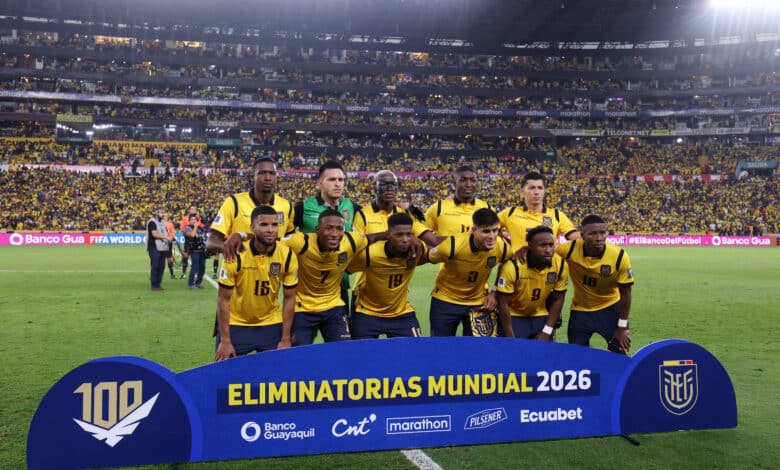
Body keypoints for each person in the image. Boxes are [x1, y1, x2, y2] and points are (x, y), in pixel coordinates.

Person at [214, 205, 298, 360]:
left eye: (274, 225)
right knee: (224, 374)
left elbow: (290, 298)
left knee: (275, 376)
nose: (270, 229)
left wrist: (285, 338)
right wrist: (225, 340)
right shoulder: (237, 253)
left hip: (271, 323)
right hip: (237, 324)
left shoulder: (286, 255)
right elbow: (223, 299)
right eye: (264, 225)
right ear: (252, 227)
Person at [284, 209, 367, 345]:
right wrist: (241, 235)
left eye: (340, 229)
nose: (335, 234)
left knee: (343, 351)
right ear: (317, 230)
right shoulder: (301, 242)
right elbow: (270, 241)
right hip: (303, 308)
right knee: (298, 354)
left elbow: (372, 238)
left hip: (333, 306)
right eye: (329, 228)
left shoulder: (352, 240)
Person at [556, 214, 634, 355]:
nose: (598, 238)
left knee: (620, 353)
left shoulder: (619, 256)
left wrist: (622, 327)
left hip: (610, 309)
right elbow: (544, 257)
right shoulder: (568, 250)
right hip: (580, 311)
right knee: (577, 357)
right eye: (592, 233)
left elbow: (626, 293)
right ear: (582, 236)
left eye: (602, 233)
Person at [427, 208, 511, 336]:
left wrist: (494, 291)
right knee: (440, 348)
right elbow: (428, 257)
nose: (492, 236)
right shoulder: (453, 245)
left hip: (478, 303)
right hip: (445, 301)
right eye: (486, 231)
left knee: (476, 350)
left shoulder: (502, 246)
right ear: (474, 230)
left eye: (495, 230)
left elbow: (508, 263)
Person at [293, 160, 360, 315]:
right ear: (320, 183)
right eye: (332, 179)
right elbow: (286, 237)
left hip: (339, 285)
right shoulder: (303, 207)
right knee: (301, 339)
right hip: (306, 290)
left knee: (342, 338)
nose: (337, 184)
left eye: (341, 180)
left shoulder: (351, 207)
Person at [347, 213, 427, 339]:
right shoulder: (370, 254)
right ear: (388, 234)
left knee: (415, 353)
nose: (405, 240)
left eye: (409, 234)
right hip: (367, 313)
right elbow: (344, 267)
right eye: (399, 235)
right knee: (360, 355)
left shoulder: (417, 250)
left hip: (401, 313)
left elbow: (437, 252)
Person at [207, 157, 295, 258]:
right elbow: (211, 241)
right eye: (262, 173)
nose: (268, 177)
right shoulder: (234, 202)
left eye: (272, 173)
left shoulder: (286, 206)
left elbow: (290, 240)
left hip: (273, 271)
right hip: (241, 271)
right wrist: (233, 249)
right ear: (253, 176)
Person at [496, 226, 568, 340]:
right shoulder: (513, 267)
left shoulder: (560, 264)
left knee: (543, 355)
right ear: (530, 246)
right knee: (514, 355)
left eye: (551, 244)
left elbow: (559, 298)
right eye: (543, 245)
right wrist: (510, 337)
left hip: (540, 314)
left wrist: (547, 330)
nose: (548, 249)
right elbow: (502, 304)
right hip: (514, 316)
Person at [498, 171, 579, 251]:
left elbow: (573, 236)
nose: (536, 192)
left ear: (544, 191)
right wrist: (507, 244)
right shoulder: (509, 213)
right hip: (519, 263)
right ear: (522, 192)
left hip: (547, 263)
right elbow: (489, 229)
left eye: (540, 188)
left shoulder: (556, 215)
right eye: (532, 188)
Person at [424, 165, 492, 236]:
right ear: (454, 184)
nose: (468, 184)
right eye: (463, 180)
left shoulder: (487, 208)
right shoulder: (438, 208)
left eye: (473, 180)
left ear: (477, 184)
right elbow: (421, 234)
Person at [146, 207, 174, 291]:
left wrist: (170, 237)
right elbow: (154, 234)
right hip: (154, 246)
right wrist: (166, 237)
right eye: (161, 213)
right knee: (155, 266)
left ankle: (158, 284)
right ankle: (154, 285)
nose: (163, 214)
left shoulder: (162, 222)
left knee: (161, 266)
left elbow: (165, 232)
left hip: (162, 247)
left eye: (163, 213)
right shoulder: (152, 222)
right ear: (156, 213)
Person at [178, 204, 203, 279]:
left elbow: (201, 227)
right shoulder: (185, 219)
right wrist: (189, 230)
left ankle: (194, 272)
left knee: (195, 258)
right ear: (189, 210)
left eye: (195, 209)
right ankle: (183, 273)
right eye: (192, 209)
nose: (193, 210)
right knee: (185, 256)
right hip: (188, 241)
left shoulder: (199, 218)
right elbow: (182, 229)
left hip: (197, 241)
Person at [182, 214, 207, 289]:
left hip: (202, 250)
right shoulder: (187, 228)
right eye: (192, 220)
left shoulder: (200, 228)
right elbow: (192, 235)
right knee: (195, 267)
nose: (193, 221)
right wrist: (195, 227)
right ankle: (190, 284)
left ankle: (198, 283)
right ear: (189, 221)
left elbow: (205, 237)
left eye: (195, 220)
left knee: (202, 268)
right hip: (194, 250)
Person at [164, 213, 178, 279]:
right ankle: (155, 274)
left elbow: (173, 234)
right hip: (160, 244)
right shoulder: (158, 224)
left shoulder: (170, 224)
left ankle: (172, 274)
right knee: (158, 259)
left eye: (166, 216)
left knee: (170, 259)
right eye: (164, 216)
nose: (165, 217)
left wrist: (173, 243)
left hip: (168, 243)